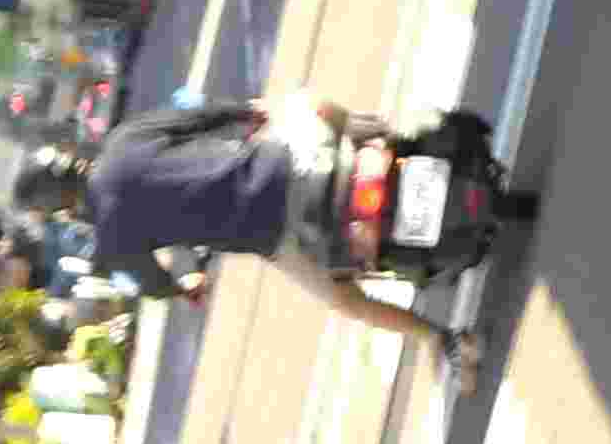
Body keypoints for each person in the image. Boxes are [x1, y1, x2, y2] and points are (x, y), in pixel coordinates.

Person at [38, 97, 480, 375]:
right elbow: (202, 116)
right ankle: (398, 134)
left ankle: (443, 339)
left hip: (280, 234)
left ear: (61, 205)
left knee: (349, 301)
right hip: (288, 159)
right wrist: (249, 113)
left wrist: (183, 287)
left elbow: (150, 282)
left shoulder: (111, 238)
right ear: (71, 159)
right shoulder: (124, 139)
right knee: (319, 108)